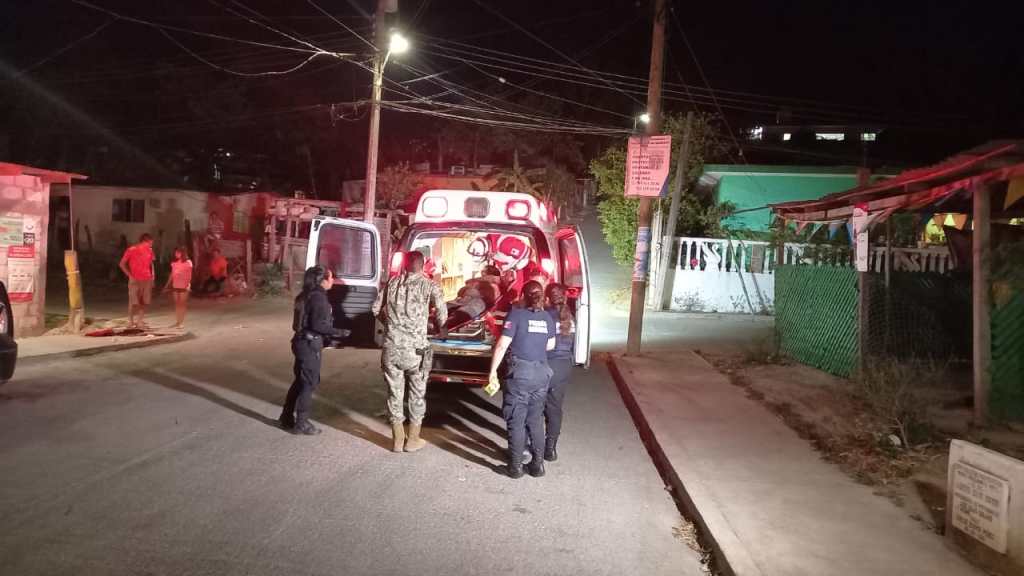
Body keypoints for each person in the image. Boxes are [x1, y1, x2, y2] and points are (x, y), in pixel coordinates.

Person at [372, 251, 447, 453]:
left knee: (394, 393)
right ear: (423, 265)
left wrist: (390, 324)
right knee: (417, 394)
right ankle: (413, 439)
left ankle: (397, 439)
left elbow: (375, 308)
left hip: (392, 348)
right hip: (416, 351)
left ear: (404, 265)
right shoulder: (430, 285)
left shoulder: (392, 283)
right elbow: (442, 313)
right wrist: (440, 328)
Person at [488, 280, 556, 479]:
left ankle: (516, 467)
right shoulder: (547, 317)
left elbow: (502, 345)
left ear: (523, 296)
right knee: (535, 420)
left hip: (521, 375)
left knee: (516, 420)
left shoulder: (516, 315)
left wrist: (492, 372)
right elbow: (550, 345)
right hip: (541, 373)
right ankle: (537, 465)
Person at [279, 266, 347, 435]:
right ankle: (301, 423)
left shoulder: (305, 294)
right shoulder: (319, 298)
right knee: (309, 383)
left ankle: (286, 417)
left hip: (300, 342)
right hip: (309, 344)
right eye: (331, 277)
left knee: (300, 381)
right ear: (323, 280)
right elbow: (318, 325)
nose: (333, 280)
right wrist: (340, 332)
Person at [543, 283, 576, 462]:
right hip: (563, 366)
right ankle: (551, 449)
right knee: (555, 407)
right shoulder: (571, 319)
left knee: (535, 406)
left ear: (547, 298)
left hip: (545, 364)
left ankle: (532, 444)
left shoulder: (544, 316)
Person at [119, 233, 155, 329]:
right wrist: (129, 275)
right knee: (133, 301)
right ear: (145, 241)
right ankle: (130, 321)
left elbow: (151, 264)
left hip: (147, 278)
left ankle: (139, 321)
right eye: (150, 242)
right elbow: (122, 264)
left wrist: (153, 277)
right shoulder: (132, 250)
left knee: (144, 301)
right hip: (135, 279)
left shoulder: (150, 251)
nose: (151, 245)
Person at [162, 247, 193, 329]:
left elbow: (189, 275)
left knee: (182, 304)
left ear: (182, 253)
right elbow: (172, 275)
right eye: (175, 253)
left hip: (184, 285)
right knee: (177, 304)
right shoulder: (174, 263)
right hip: (176, 285)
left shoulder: (188, 262)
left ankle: (181, 322)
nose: (176, 254)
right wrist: (166, 285)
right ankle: (178, 321)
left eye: (177, 253)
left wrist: (188, 284)